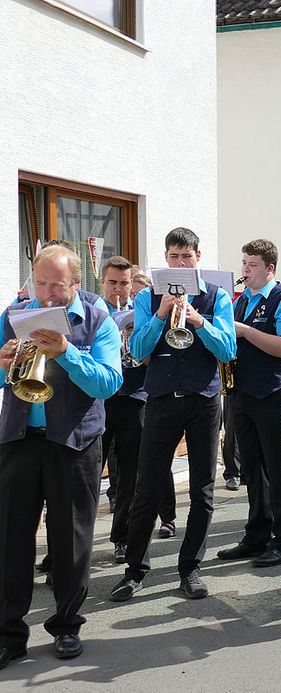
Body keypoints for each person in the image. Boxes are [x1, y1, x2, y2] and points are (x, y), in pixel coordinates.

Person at [0, 244, 122, 667]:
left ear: (76, 283)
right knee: (10, 538)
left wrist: (67, 353)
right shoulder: (14, 314)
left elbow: (108, 384)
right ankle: (9, 634)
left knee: (70, 540)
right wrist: (1, 364)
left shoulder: (98, 318)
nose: (47, 294)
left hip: (75, 439)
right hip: (19, 437)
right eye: (41, 282)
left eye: (58, 284)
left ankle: (67, 625)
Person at [110, 227, 236, 602]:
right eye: (173, 257)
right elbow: (137, 348)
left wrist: (199, 321)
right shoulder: (149, 296)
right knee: (146, 486)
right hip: (162, 398)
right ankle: (135, 570)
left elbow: (228, 350)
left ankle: (190, 568)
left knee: (202, 488)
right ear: (165, 259)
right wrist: (161, 313)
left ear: (199, 256)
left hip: (203, 399)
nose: (180, 263)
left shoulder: (217, 296)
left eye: (187, 257)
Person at [218, 239, 281, 567]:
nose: (245, 270)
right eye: (243, 263)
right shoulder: (240, 301)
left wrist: (243, 330)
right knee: (252, 471)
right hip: (244, 393)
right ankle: (256, 536)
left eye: (252, 265)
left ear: (269, 269)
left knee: (280, 470)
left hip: (276, 394)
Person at [99, 256, 176, 562]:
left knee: (131, 475)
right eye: (112, 283)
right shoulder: (93, 312)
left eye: (124, 283)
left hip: (135, 397)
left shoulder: (140, 310)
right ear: (102, 283)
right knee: (90, 474)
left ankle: (122, 538)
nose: (118, 289)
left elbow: (152, 354)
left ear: (132, 284)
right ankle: (66, 549)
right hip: (100, 400)